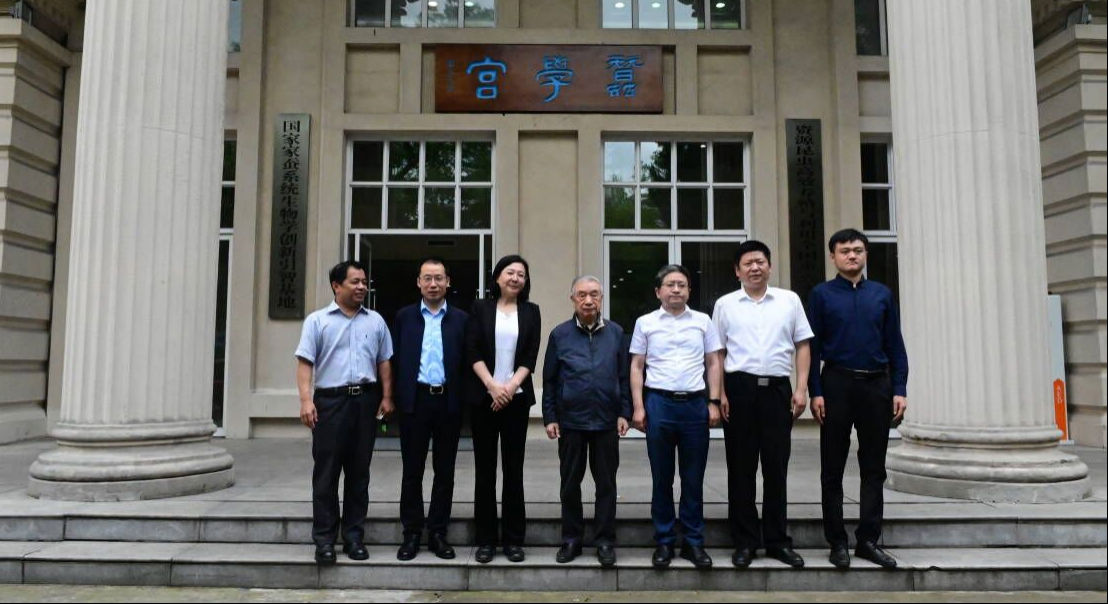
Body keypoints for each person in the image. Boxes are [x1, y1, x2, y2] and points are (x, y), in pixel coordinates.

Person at [808, 228, 908, 569]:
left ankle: (868, 540)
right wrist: (816, 392)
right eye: (845, 251)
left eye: (858, 250)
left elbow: (895, 344)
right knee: (832, 466)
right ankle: (837, 541)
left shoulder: (881, 294)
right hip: (836, 383)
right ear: (833, 256)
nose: (852, 256)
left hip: (877, 385)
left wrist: (900, 387)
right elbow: (812, 348)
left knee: (873, 467)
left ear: (866, 254)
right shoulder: (821, 295)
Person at [712, 240, 813, 569]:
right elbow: (717, 353)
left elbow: (803, 345)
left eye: (760, 262)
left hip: (777, 392)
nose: (755, 268)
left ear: (769, 266)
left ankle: (777, 541)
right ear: (737, 271)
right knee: (740, 469)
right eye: (748, 263)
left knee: (775, 468)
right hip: (738, 390)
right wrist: (720, 393)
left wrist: (801, 388)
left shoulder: (789, 300)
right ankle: (744, 542)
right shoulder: (725, 305)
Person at [295, 260, 394, 565]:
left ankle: (354, 538)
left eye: (364, 281)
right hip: (330, 403)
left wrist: (387, 396)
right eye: (355, 282)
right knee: (326, 473)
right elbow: (305, 362)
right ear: (336, 286)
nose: (362, 287)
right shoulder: (317, 321)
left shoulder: (375, 321)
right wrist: (306, 400)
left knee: (359, 473)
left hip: (365, 402)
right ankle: (324, 540)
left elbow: (384, 361)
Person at [630, 264, 723, 569]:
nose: (676, 290)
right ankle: (665, 541)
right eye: (670, 285)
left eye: (682, 285)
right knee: (662, 478)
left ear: (689, 291)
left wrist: (713, 401)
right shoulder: (645, 323)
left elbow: (713, 362)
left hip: (694, 405)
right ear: (658, 291)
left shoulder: (703, 321)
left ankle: (693, 542)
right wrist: (639, 407)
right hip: (659, 403)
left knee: (693, 478)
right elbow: (637, 366)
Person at [542, 275, 631, 567]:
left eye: (594, 294)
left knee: (606, 484)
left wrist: (625, 412)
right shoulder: (559, 335)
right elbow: (550, 379)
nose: (588, 300)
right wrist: (550, 416)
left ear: (602, 298)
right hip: (571, 422)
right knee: (570, 484)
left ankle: (604, 541)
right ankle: (571, 539)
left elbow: (624, 377)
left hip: (606, 421)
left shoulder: (616, 333)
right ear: (573, 299)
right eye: (582, 295)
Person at [465, 254, 542, 564]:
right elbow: (471, 350)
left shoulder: (531, 311)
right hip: (484, 399)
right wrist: (492, 386)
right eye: (510, 272)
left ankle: (513, 540)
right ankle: (485, 541)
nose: (515, 278)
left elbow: (531, 354)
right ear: (497, 277)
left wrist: (509, 387)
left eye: (521, 274)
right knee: (484, 471)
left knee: (513, 471)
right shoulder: (480, 308)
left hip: (516, 399)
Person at [392, 257, 469, 561]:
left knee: (445, 471)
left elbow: (468, 362)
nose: (433, 284)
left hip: (448, 401)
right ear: (418, 282)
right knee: (412, 470)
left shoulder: (462, 319)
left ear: (448, 282)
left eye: (439, 278)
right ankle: (411, 533)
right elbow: (393, 360)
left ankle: (438, 532)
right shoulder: (404, 317)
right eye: (427, 278)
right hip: (415, 401)